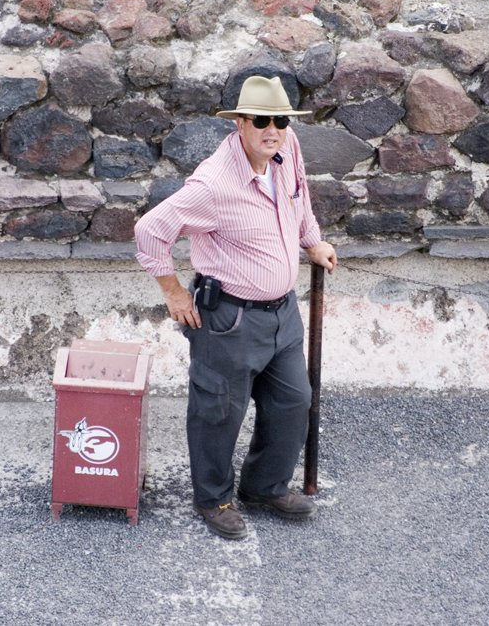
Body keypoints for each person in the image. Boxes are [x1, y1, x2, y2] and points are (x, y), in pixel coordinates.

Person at [134, 74, 338, 540]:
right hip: (230, 317)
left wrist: (312, 242)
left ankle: (264, 487)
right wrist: (173, 292)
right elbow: (150, 230)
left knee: (293, 401)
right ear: (240, 123)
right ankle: (213, 498)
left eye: (281, 121)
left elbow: (299, 197)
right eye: (261, 120)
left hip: (282, 313)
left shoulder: (287, 149)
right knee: (219, 412)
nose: (273, 130)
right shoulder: (213, 184)